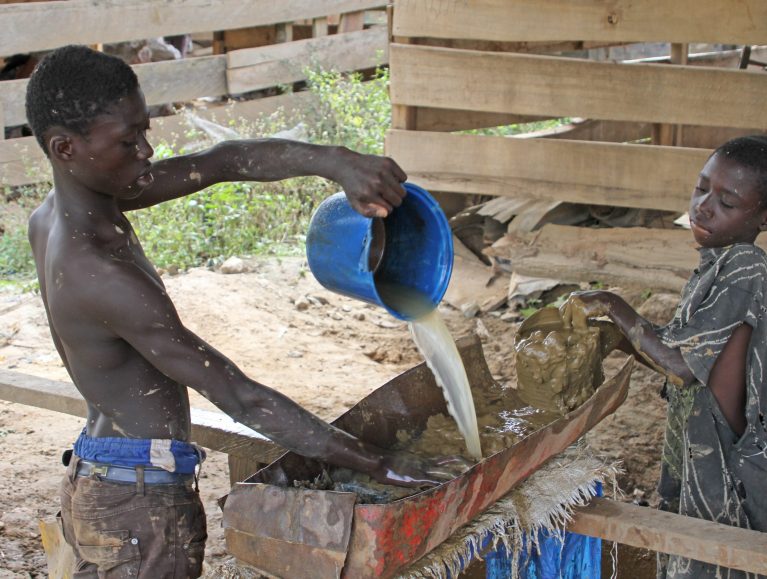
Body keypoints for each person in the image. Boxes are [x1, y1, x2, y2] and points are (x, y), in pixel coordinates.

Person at [25, 44, 464, 578]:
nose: (146, 150)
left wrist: (337, 162)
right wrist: (379, 462)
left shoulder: (62, 212)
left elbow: (224, 160)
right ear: (65, 147)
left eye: (145, 130)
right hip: (137, 506)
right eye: (127, 140)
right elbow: (240, 395)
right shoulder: (102, 277)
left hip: (101, 469)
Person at [562, 135, 767, 578]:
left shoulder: (746, 267)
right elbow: (673, 351)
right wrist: (611, 337)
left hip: (728, 466)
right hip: (697, 450)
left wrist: (613, 305)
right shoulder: (719, 262)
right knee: (686, 556)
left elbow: (679, 365)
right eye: (701, 188)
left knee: (717, 564)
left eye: (726, 202)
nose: (704, 207)